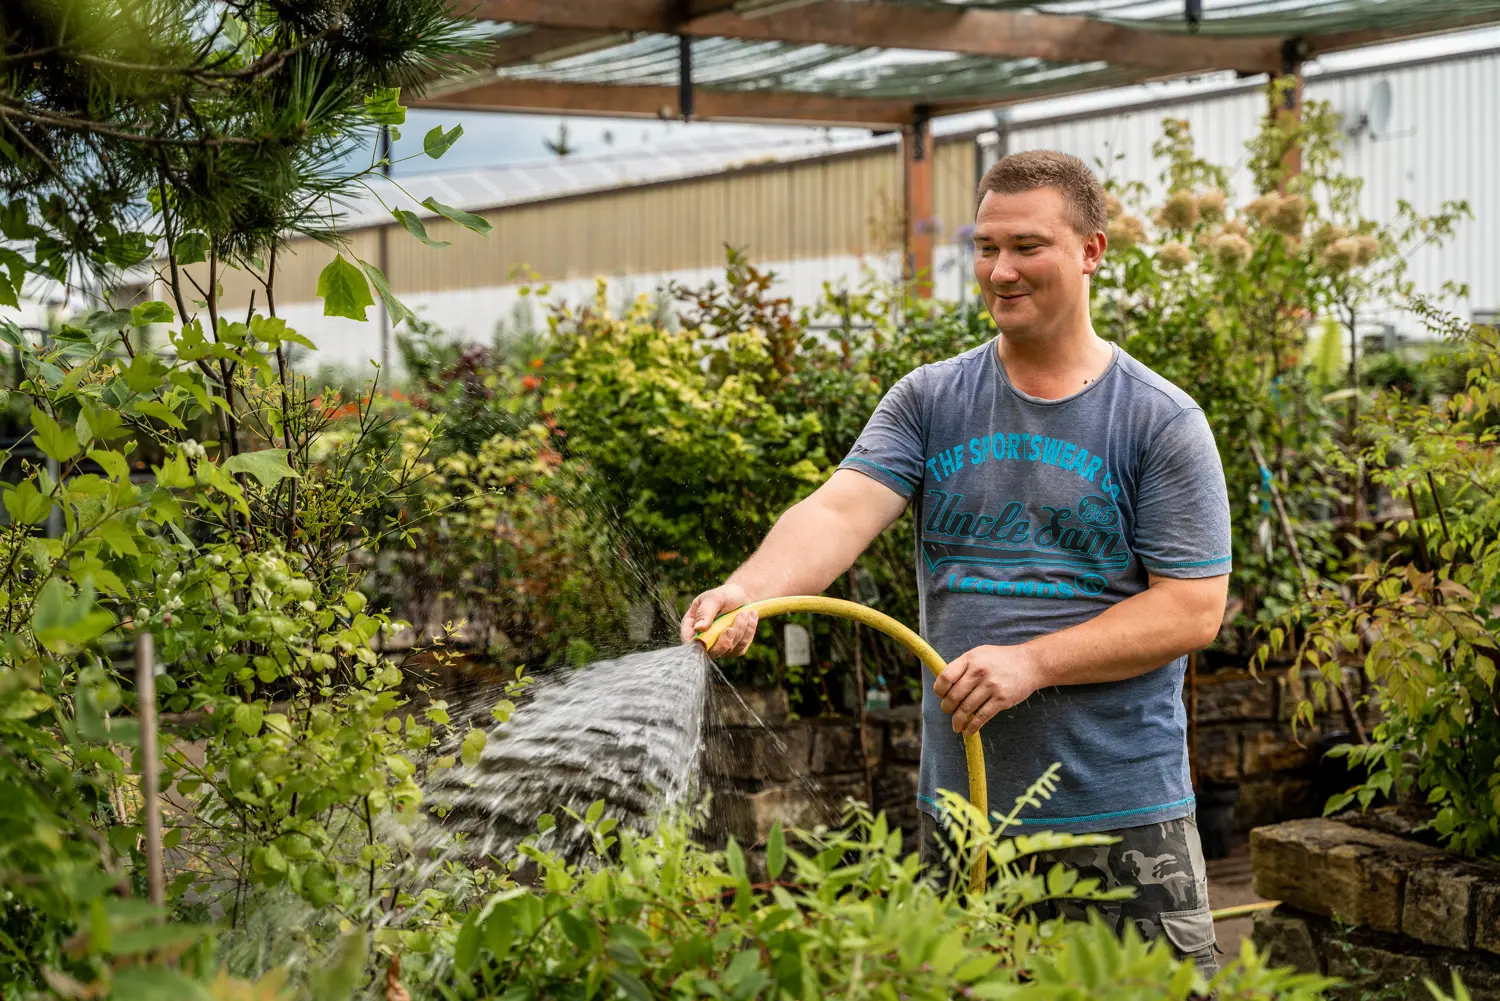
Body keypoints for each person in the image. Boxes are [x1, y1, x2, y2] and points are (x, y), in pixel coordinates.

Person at [680, 150, 1229, 977]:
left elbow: (1191, 609)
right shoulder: (931, 400)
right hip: (965, 815)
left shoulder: (1158, 421)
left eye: (1028, 246)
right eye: (985, 246)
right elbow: (838, 509)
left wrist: (1033, 663)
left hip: (1122, 821)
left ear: (1091, 251)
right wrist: (748, 588)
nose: (1000, 271)